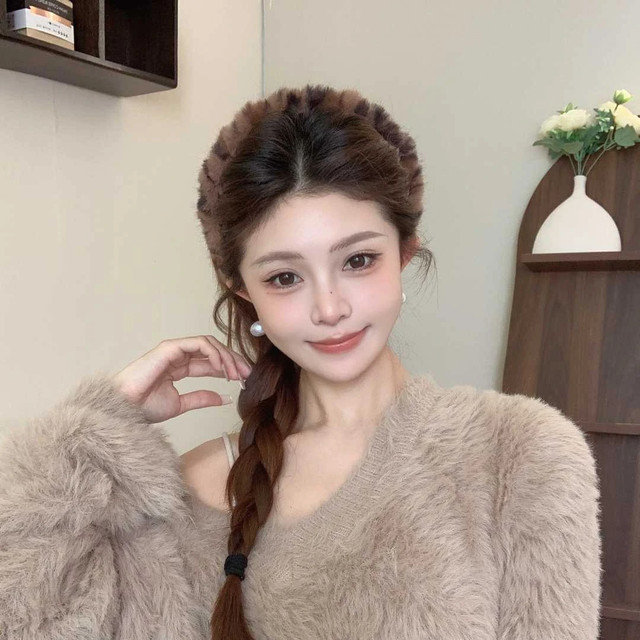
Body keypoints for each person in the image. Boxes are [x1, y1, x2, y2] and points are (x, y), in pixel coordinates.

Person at [0, 85, 601, 640]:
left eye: (358, 261)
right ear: (243, 289)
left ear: (404, 254)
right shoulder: (190, 492)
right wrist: (94, 433)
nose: (330, 307)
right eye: (285, 277)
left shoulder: (519, 455)